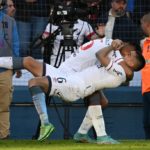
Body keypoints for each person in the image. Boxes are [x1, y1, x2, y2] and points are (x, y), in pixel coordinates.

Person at [0, 38, 145, 141]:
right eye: (129, 52)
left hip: (75, 85)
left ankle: (46, 124)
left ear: (131, 62)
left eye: (130, 55)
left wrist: (113, 46)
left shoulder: (120, 68)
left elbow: (103, 57)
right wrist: (114, 46)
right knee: (29, 61)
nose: (126, 54)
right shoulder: (116, 61)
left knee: (33, 82)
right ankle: (82, 134)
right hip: (71, 77)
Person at [0, 0, 20, 139]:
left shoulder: (10, 21)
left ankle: (4, 135)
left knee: (4, 104)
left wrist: (17, 64)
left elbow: (15, 43)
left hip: (5, 68)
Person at [141, 12, 150, 139]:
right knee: (147, 122)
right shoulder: (145, 43)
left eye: (142, 24)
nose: (141, 26)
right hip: (146, 89)